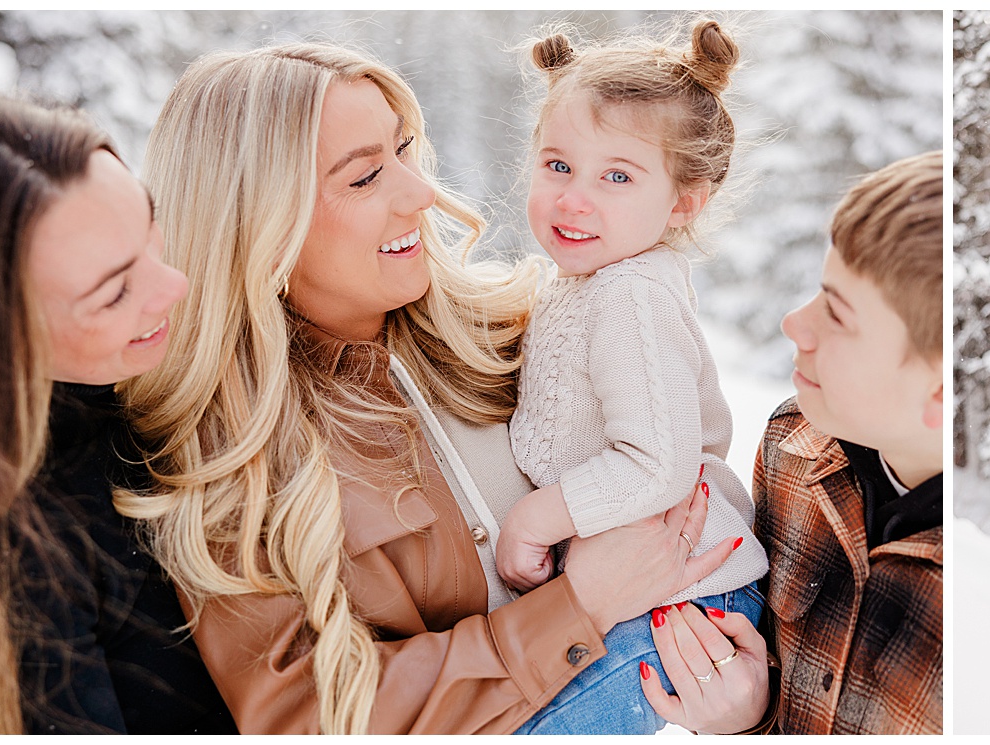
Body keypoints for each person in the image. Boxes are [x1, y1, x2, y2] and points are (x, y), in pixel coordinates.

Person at [116, 42, 732, 735]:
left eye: (406, 151)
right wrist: (575, 607)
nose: (422, 193)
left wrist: (738, 704)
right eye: (366, 178)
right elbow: (310, 713)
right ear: (257, 222)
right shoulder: (234, 458)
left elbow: (687, 471)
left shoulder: (519, 329)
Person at [0, 90, 231, 734]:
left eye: (150, 223)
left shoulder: (111, 399)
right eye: (114, 292)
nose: (175, 285)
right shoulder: (9, 566)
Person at [494, 20, 768, 735]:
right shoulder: (589, 279)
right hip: (647, 589)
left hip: (687, 599)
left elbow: (657, 463)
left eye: (617, 176)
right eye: (558, 166)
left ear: (685, 200)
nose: (574, 199)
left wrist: (536, 518)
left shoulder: (630, 294)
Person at [641, 152, 945, 734]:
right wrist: (749, 717)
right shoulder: (792, 447)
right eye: (818, 291)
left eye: (838, 314)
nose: (794, 323)